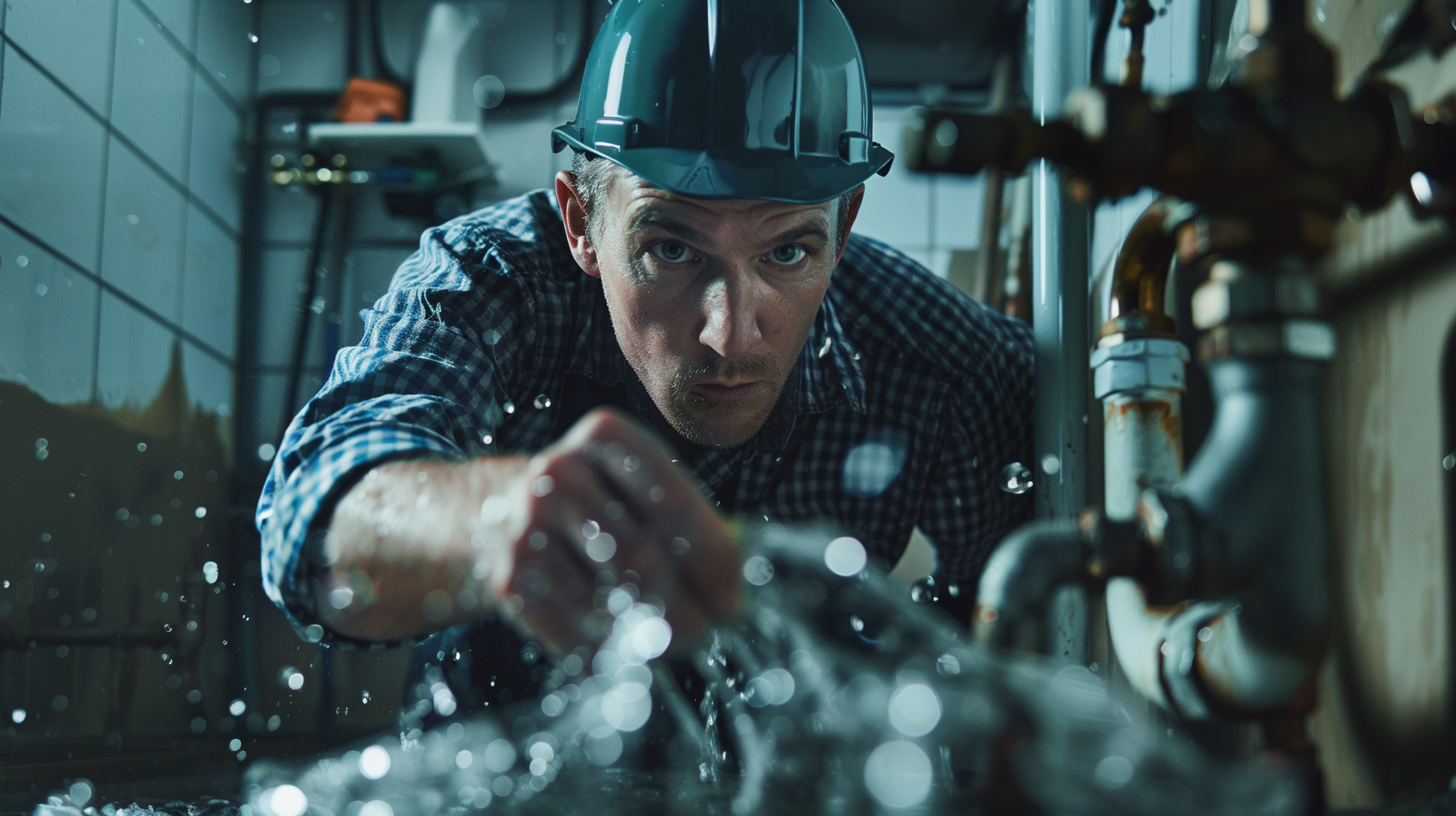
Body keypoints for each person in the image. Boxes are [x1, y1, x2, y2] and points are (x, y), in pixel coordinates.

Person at [256, 0, 1033, 716]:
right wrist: (495, 519)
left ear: (847, 222)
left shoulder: (937, 362)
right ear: (580, 220)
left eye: (789, 251)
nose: (730, 336)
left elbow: (1010, 617)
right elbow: (314, 518)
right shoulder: (491, 285)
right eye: (670, 248)